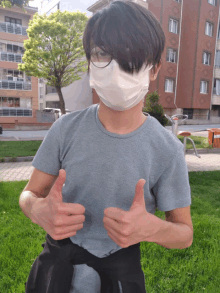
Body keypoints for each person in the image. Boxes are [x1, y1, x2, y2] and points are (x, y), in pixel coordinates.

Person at [19, 1, 193, 293]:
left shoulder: (167, 150)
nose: (116, 68)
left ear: (155, 68)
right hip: (55, 273)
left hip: (119, 278)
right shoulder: (65, 129)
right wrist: (37, 209)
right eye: (102, 54)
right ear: (89, 61)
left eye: (132, 57)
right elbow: (29, 193)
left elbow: (184, 234)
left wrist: (153, 228)